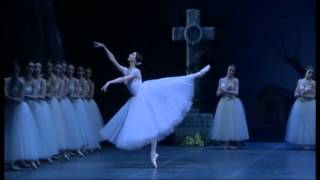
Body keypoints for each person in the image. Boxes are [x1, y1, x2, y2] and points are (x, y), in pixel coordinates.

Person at [93, 41, 211, 168]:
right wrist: (105, 47)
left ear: (135, 59)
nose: (130, 54)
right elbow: (113, 60)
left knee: (171, 84)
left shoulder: (136, 71)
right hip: (138, 99)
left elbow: (125, 79)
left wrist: (110, 82)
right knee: (151, 124)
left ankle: (197, 74)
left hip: (145, 94)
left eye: (132, 54)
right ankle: (153, 153)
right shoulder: (125, 70)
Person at [209, 64, 249, 149]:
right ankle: (226, 144)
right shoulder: (221, 80)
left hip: (233, 102)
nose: (231, 72)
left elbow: (236, 93)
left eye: (233, 71)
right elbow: (218, 93)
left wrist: (227, 90)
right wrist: (224, 91)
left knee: (235, 121)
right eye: (230, 70)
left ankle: (237, 141)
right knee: (226, 121)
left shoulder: (236, 80)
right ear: (227, 70)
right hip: (224, 102)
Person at [285, 65, 316, 150]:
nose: (311, 74)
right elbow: (295, 93)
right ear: (306, 72)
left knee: (309, 123)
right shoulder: (300, 81)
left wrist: (304, 94)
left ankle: (308, 142)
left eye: (312, 73)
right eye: (309, 72)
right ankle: (302, 142)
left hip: (310, 104)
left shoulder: (313, 83)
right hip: (300, 104)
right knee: (301, 123)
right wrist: (302, 93)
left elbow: (313, 95)